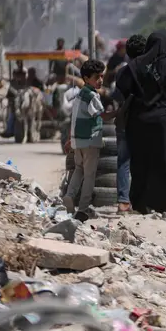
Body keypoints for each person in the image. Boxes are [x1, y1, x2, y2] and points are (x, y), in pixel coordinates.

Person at [116, 31, 166, 217]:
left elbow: (121, 88)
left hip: (139, 122)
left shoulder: (135, 66)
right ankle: (162, 207)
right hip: (164, 121)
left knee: (141, 163)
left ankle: (140, 204)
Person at [62, 59, 107, 222]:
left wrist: (69, 139)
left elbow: (74, 118)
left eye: (102, 76)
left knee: (79, 169)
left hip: (77, 141)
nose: (100, 80)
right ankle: (83, 208)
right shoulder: (92, 95)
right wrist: (119, 112)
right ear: (87, 79)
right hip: (90, 141)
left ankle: (69, 195)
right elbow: (102, 115)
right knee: (89, 175)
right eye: (97, 77)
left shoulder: (79, 94)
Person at [110, 34, 144, 214]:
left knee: (123, 161)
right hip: (144, 122)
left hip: (125, 121)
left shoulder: (123, 71)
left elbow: (117, 96)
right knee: (142, 161)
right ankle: (139, 201)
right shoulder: (148, 71)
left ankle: (123, 202)